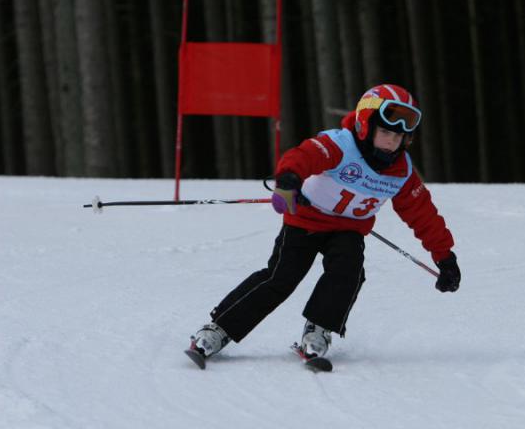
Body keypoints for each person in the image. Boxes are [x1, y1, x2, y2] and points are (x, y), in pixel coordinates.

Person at [187, 84, 461, 364]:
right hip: (305, 220)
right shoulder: (340, 145)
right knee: (281, 278)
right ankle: (218, 329)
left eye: (399, 136)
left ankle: (318, 330)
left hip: (347, 230)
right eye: (386, 132)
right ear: (365, 126)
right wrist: (290, 179)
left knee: (349, 272)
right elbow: (303, 156)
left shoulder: (401, 172)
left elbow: (422, 213)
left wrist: (445, 256)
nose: (392, 141)